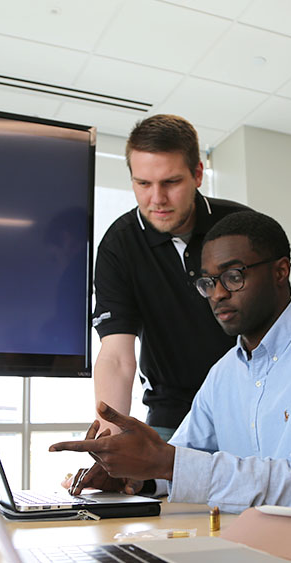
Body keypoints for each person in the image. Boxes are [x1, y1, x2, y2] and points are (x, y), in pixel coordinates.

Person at [52, 211, 291, 513]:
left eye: (234, 276)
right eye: (208, 282)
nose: (218, 293)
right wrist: (135, 477)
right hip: (252, 541)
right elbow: (181, 459)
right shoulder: (223, 374)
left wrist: (167, 462)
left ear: (281, 271)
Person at [92, 114, 248, 441]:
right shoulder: (119, 245)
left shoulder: (242, 228)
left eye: (171, 182)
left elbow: (277, 330)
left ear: (198, 174)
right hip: (172, 413)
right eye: (143, 184)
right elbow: (117, 357)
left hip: (250, 408)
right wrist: (107, 445)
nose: (157, 199)